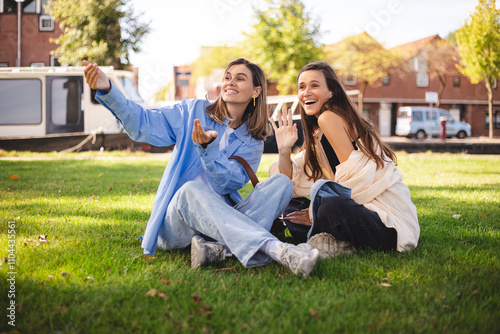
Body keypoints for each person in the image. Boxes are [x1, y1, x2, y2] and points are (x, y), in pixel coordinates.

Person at [83, 58, 319, 277]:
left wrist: (210, 150)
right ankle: (278, 250)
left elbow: (226, 183)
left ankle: (219, 249)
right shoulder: (192, 111)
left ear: (256, 91)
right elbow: (143, 123)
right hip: (178, 223)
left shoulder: (252, 141)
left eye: (240, 78)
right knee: (190, 189)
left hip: (218, 221)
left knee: (281, 183)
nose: (230, 82)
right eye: (227, 77)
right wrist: (108, 90)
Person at [269, 61, 419, 257]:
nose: (306, 92)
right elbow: (289, 180)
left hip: (386, 224)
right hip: (354, 211)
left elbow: (355, 181)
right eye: (302, 87)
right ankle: (330, 240)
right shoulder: (317, 132)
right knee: (290, 203)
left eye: (315, 85)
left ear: (331, 91)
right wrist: (283, 150)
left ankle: (323, 237)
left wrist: (314, 214)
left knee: (330, 207)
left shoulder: (329, 118)